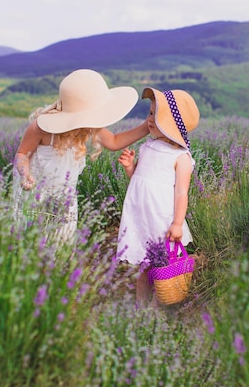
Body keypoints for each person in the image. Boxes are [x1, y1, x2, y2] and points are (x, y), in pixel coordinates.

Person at [13, 69, 149, 247]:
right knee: (32, 245)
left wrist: (147, 127)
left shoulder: (89, 126)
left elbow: (115, 142)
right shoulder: (41, 128)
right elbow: (22, 154)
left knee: (61, 246)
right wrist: (25, 174)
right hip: (35, 197)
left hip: (65, 200)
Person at [116, 87, 200, 306]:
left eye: (156, 115)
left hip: (160, 219)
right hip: (140, 217)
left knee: (161, 266)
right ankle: (140, 308)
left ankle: (157, 309)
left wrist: (178, 224)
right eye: (150, 113)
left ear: (173, 123)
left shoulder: (181, 157)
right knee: (143, 267)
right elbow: (139, 180)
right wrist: (129, 168)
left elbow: (182, 193)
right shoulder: (147, 147)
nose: (149, 120)